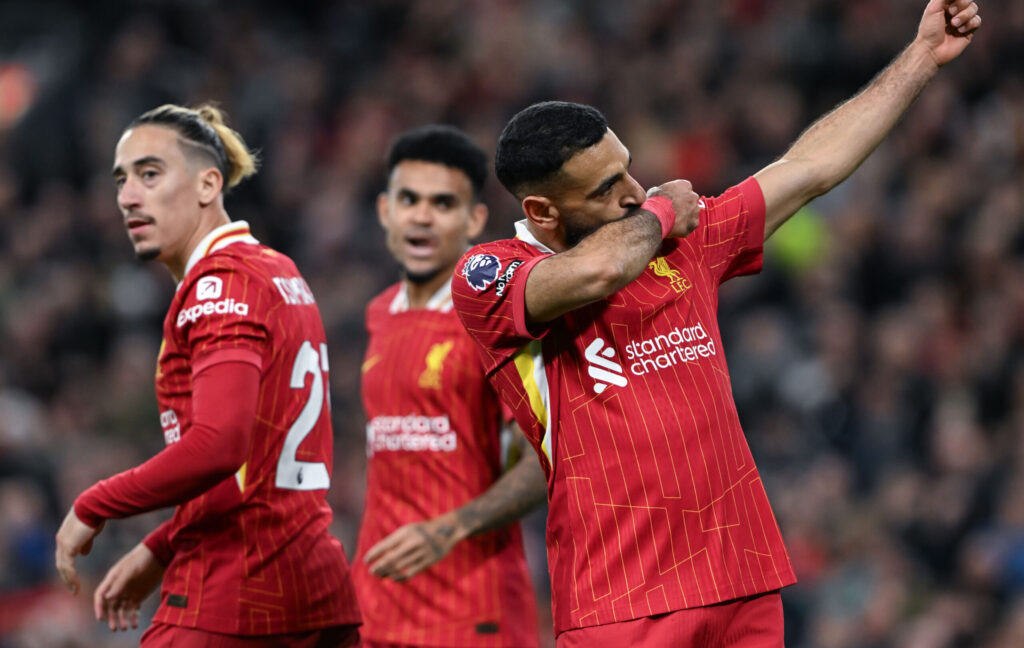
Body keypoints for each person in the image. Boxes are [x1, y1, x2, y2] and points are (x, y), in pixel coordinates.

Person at [450, 1, 982, 646]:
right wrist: (665, 213)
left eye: (627, 169)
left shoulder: (679, 245)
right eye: (604, 188)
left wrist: (923, 55)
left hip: (743, 574)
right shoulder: (492, 275)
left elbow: (809, 168)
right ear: (541, 210)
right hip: (622, 599)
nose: (631, 191)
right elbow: (597, 274)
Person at [54, 104, 362, 647]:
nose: (128, 196)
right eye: (122, 179)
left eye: (150, 174)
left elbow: (221, 445)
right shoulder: (276, 270)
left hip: (236, 592)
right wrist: (162, 545)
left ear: (207, 183)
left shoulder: (219, 284)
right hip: (314, 589)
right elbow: (252, 469)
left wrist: (94, 503)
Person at [354, 125, 546, 648]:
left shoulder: (494, 321)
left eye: (443, 203)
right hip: (377, 609)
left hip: (471, 615)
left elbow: (543, 463)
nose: (422, 216)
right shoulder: (378, 314)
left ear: (474, 220)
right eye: (409, 199)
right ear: (384, 210)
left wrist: (449, 529)